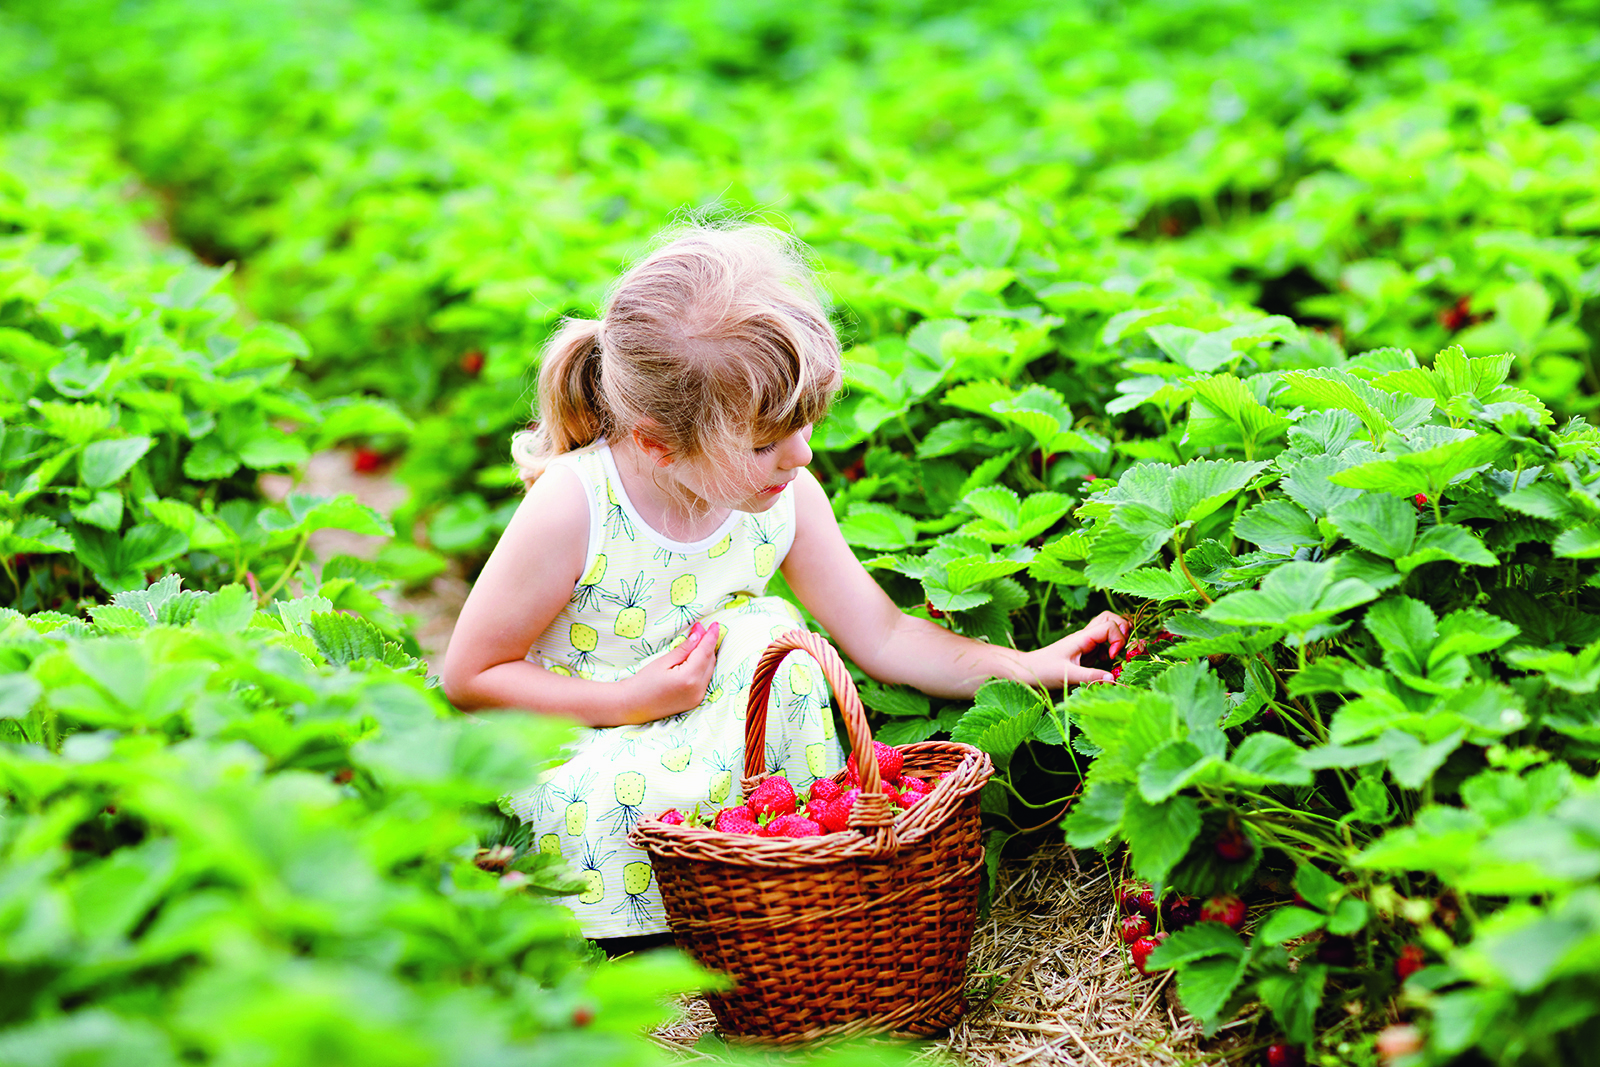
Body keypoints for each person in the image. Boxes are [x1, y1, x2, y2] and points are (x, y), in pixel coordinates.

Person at [440, 223, 1130, 945]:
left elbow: (883, 632)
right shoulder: (576, 503)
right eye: (766, 442)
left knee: (782, 645)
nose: (800, 454)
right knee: (604, 802)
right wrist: (624, 701)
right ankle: (642, 916)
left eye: (805, 426)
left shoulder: (787, 491)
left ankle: (784, 872)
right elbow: (471, 673)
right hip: (585, 735)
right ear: (655, 441)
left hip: (700, 740)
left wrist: (1028, 667)